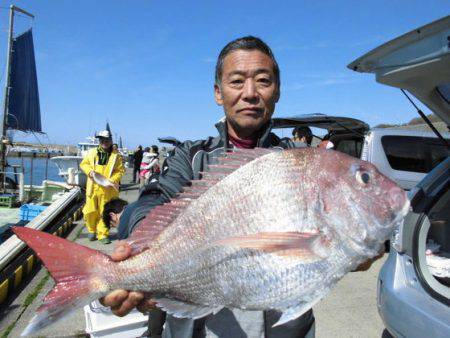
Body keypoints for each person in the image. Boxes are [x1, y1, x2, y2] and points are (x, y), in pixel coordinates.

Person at [101, 36, 316, 337]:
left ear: (277, 90)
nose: (250, 93)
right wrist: (138, 247)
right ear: (218, 92)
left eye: (263, 81)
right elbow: (151, 201)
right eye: (237, 81)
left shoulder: (305, 164)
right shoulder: (191, 157)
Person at [80, 130, 125, 244]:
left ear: (111, 140)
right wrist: (90, 172)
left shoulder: (117, 156)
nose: (104, 142)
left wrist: (112, 180)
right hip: (93, 187)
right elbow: (84, 164)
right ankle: (91, 230)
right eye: (101, 139)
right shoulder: (91, 152)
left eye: (106, 139)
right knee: (89, 211)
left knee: (105, 212)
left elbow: (120, 171)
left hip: (108, 189)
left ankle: (103, 234)